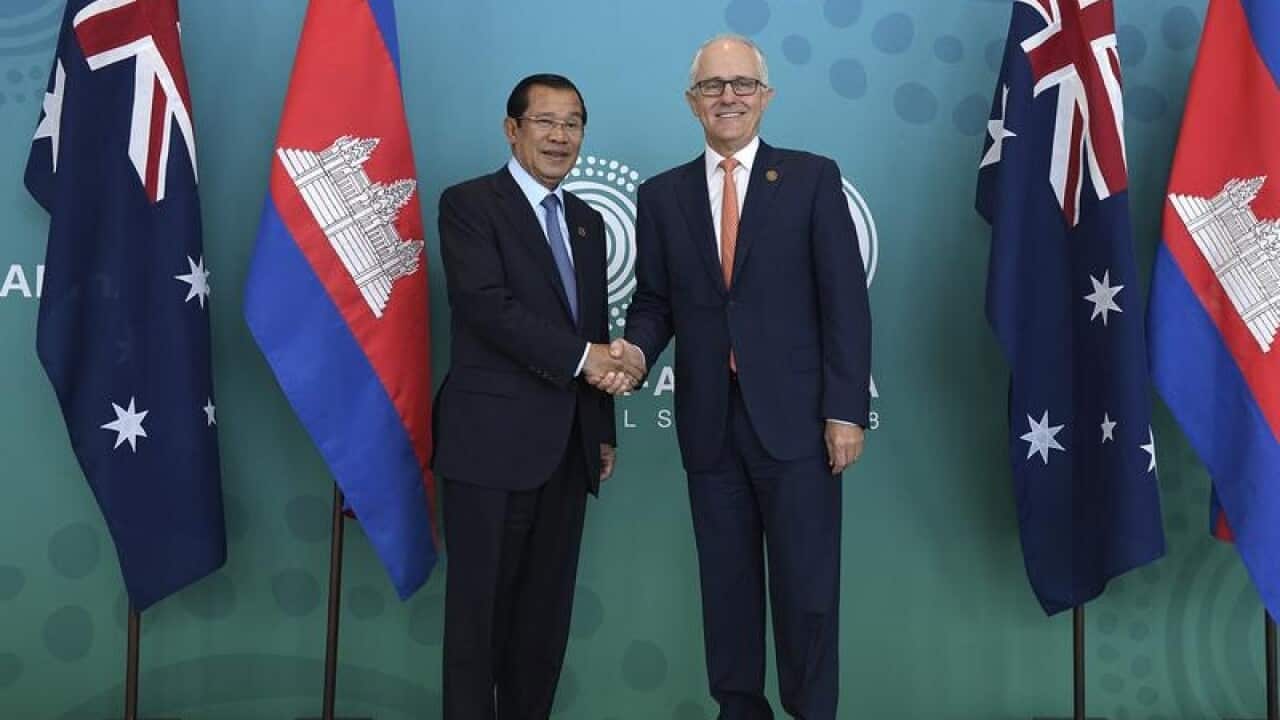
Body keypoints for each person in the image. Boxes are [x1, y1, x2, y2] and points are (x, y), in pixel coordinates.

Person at [614, 35, 872, 719]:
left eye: (742, 84)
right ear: (691, 101)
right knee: (725, 592)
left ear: (766, 96)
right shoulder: (662, 195)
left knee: (808, 592)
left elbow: (845, 300)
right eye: (712, 86)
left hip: (799, 427)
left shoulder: (812, 177)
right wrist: (637, 354)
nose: (728, 96)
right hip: (709, 426)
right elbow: (656, 301)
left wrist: (846, 410)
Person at [432, 73, 640, 720]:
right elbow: (487, 309)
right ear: (512, 129)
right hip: (489, 450)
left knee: (542, 629)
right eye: (545, 122)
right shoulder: (469, 204)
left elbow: (593, 326)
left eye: (573, 123)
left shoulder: (586, 220)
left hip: (567, 450)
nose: (560, 136)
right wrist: (588, 361)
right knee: (478, 627)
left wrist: (600, 424)